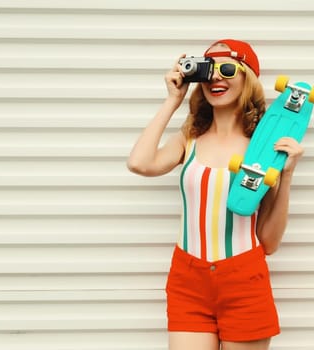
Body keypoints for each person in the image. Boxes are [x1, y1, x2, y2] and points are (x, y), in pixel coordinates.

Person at [127, 39, 303, 350]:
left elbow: (270, 243)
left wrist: (286, 175)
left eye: (227, 69)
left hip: (244, 277)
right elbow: (140, 163)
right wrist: (172, 100)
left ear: (247, 77)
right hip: (187, 277)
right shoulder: (190, 137)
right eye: (209, 71)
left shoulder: (264, 144)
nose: (216, 78)